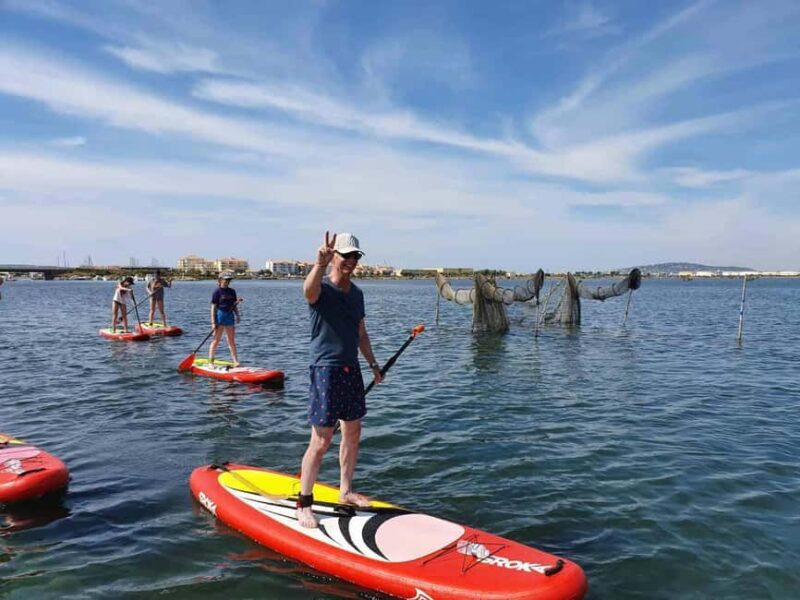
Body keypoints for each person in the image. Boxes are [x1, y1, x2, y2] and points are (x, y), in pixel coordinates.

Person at [296, 231, 383, 529]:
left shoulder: (357, 294)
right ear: (334, 256)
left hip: (351, 369)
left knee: (353, 433)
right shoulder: (320, 288)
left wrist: (373, 364)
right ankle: (303, 503)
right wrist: (318, 265)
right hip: (326, 370)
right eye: (345, 255)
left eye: (355, 256)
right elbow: (307, 292)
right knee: (321, 441)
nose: (350, 261)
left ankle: (345, 490)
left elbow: (360, 333)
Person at [209, 272, 241, 366]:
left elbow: (234, 305)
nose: (227, 281)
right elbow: (213, 308)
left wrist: (238, 315)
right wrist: (213, 322)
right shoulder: (216, 292)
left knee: (231, 340)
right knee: (216, 340)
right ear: (220, 280)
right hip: (220, 315)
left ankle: (235, 361)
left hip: (230, 316)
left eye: (229, 280)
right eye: (226, 279)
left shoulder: (232, 291)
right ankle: (211, 362)